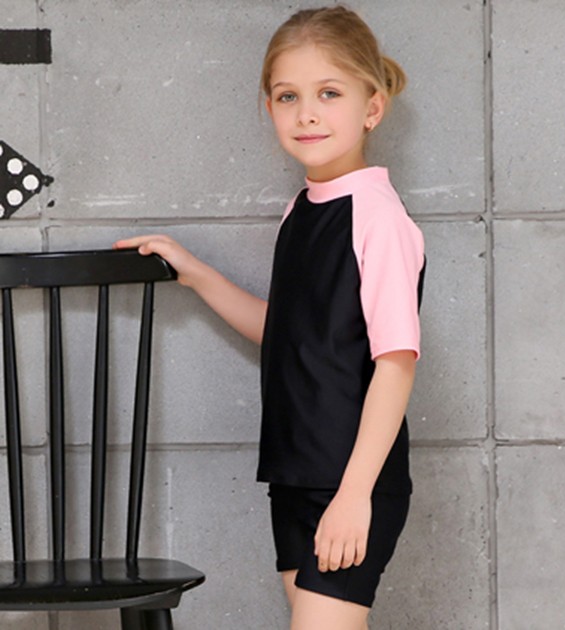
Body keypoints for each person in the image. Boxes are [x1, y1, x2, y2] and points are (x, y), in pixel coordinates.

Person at [115, 6, 425, 629]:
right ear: (269, 108)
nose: (306, 113)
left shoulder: (378, 217)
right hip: (294, 474)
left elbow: (396, 364)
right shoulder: (302, 210)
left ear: (372, 107)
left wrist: (353, 495)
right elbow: (288, 336)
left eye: (329, 93)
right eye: (288, 96)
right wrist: (195, 272)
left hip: (349, 480)